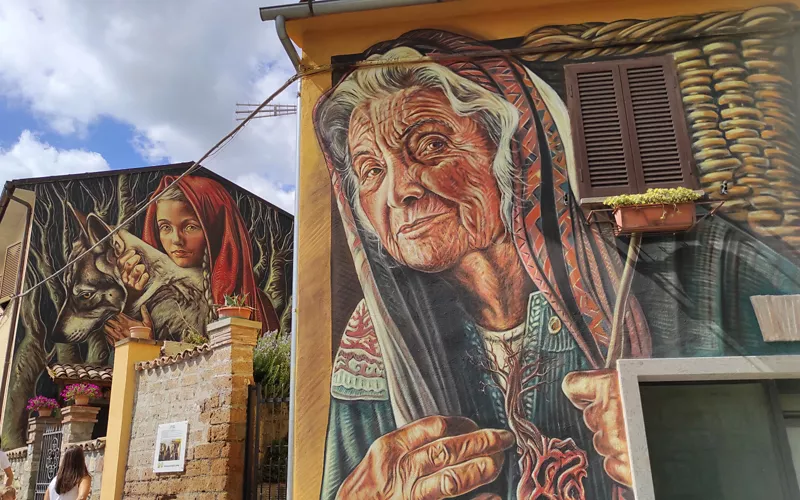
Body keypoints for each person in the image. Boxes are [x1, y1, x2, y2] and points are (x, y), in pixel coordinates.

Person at [314, 30, 800, 499]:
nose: (399, 191)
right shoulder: (376, 338)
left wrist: (683, 432)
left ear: (515, 151)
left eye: (432, 145)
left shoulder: (700, 265)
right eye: (371, 170)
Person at [103, 175, 279, 342]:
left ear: (216, 230)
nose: (176, 240)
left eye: (190, 227)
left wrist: (149, 344)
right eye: (165, 227)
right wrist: (133, 297)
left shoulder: (257, 305)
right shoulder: (144, 288)